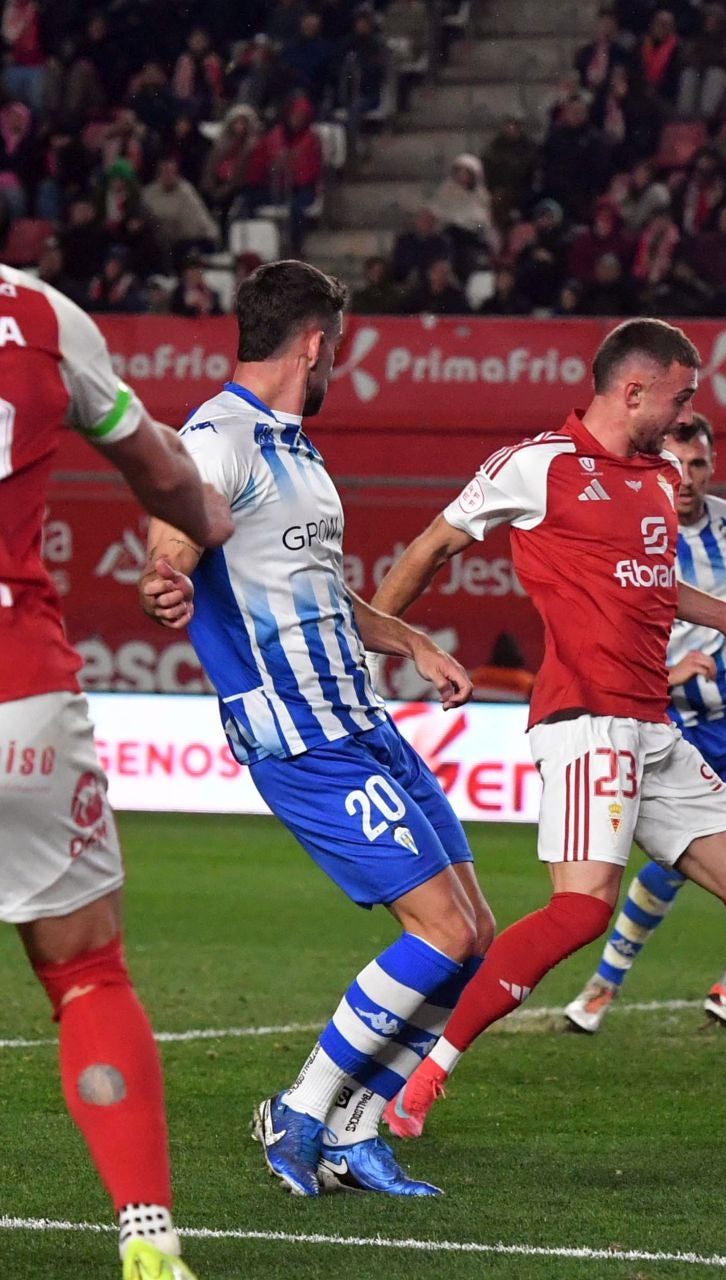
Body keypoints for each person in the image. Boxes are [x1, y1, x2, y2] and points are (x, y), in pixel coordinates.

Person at [368, 319, 726, 1146]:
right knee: (582, 911)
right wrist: (380, 637)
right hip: (586, 722)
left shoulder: (658, 477)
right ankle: (421, 1075)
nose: (686, 414)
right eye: (680, 396)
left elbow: (652, 586)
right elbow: (435, 544)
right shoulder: (538, 465)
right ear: (633, 390)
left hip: (649, 726)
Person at [135, 261, 492, 1200]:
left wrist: (410, 639)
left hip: (357, 718)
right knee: (442, 930)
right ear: (315, 341)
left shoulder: (297, 449)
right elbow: (176, 518)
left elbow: (320, 594)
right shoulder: (219, 433)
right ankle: (304, 1109)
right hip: (297, 732)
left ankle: (355, 1132)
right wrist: (167, 570)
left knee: (476, 935)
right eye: (340, 343)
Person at [1, 266, 231, 1280]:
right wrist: (205, 519)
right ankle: (147, 1232)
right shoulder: (39, 315)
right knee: (87, 970)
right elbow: (161, 466)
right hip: (18, 695)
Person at [564, 413, 726, 1034]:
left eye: (698, 465)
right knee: (673, 864)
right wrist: (671, 673)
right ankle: (604, 984)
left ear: (712, 466)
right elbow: (606, 629)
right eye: (675, 466)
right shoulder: (634, 528)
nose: (685, 479)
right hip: (670, 722)